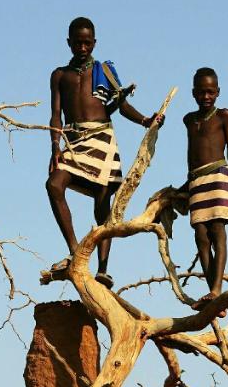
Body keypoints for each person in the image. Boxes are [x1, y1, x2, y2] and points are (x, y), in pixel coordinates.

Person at [46, 17, 163, 289]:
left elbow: (121, 106)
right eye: (78, 42)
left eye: (87, 42)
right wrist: (55, 148)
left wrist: (146, 120)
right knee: (54, 184)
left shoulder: (104, 72)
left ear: (95, 43)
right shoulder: (59, 75)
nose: (83, 47)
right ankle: (76, 251)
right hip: (74, 141)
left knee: (102, 203)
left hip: (102, 138)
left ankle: (103, 269)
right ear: (69, 43)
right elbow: (55, 115)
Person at [182, 67, 228, 316]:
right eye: (201, 92)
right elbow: (190, 155)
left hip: (220, 175)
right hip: (197, 181)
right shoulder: (189, 120)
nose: (206, 96)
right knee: (200, 236)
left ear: (218, 92)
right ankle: (215, 297)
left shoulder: (223, 115)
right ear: (193, 93)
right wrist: (185, 186)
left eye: (210, 92)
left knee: (217, 231)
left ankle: (216, 290)